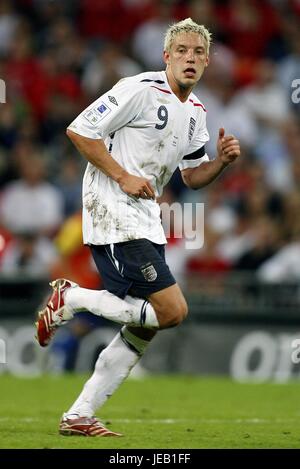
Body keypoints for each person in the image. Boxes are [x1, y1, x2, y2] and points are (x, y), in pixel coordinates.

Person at [35, 18, 241, 437]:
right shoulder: (140, 88)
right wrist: (122, 175)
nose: (190, 58)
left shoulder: (196, 114)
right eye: (181, 50)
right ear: (166, 56)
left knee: (145, 326)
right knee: (172, 311)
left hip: (147, 219)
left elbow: (190, 176)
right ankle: (71, 298)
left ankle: (79, 415)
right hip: (112, 210)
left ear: (206, 62)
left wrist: (219, 162)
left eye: (198, 53)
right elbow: (80, 130)